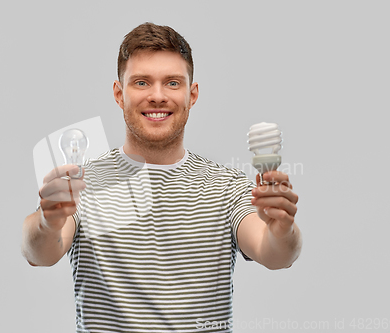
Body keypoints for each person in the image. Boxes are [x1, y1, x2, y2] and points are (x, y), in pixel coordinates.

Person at [22, 22, 302, 333]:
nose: (157, 96)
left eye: (172, 83)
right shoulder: (83, 185)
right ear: (119, 93)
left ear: (192, 95)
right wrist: (47, 223)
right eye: (141, 83)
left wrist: (283, 228)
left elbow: (276, 254)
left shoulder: (227, 187)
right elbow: (39, 253)